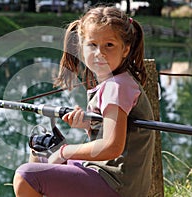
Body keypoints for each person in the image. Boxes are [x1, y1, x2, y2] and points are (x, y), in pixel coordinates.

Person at [13, 5, 155, 197]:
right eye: (92, 45)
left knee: (26, 176)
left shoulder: (117, 87)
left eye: (109, 45)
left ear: (125, 50)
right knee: (41, 156)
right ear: (81, 47)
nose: (100, 53)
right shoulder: (117, 82)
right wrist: (90, 125)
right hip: (111, 178)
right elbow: (117, 132)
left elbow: (112, 146)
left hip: (117, 186)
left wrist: (65, 151)